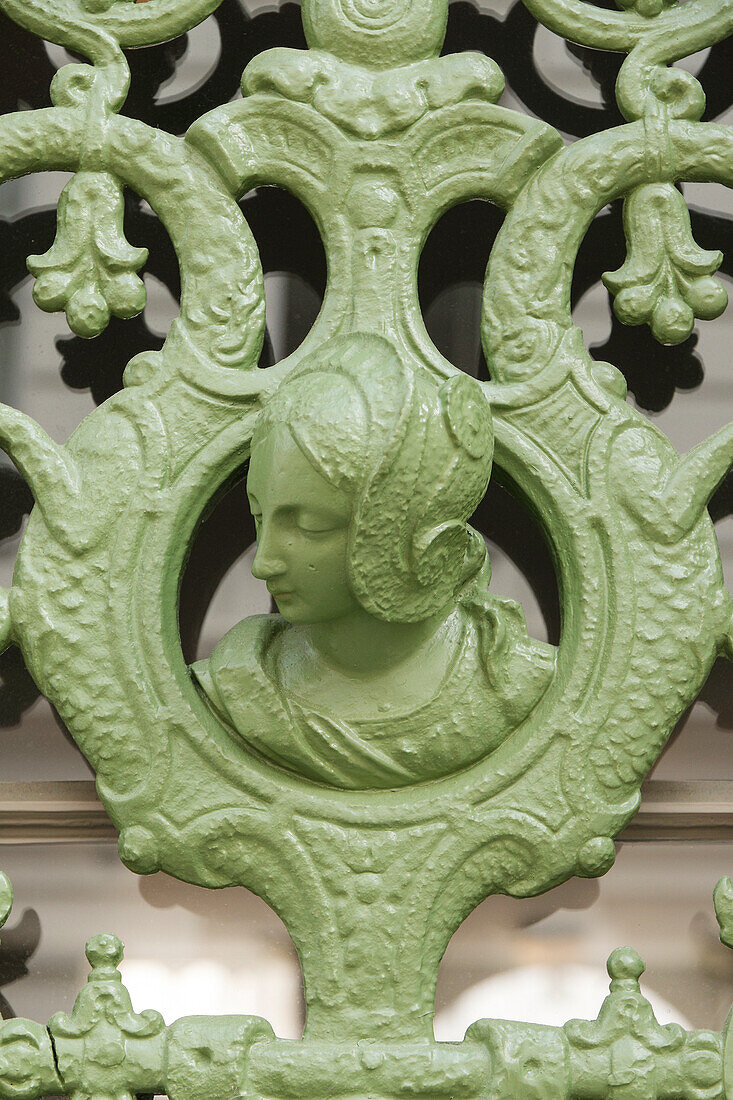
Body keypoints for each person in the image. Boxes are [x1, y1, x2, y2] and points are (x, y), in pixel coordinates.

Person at [191, 334, 555, 789]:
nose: (263, 563)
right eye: (259, 518)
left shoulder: (515, 684)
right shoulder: (239, 683)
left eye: (309, 525)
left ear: (401, 538)